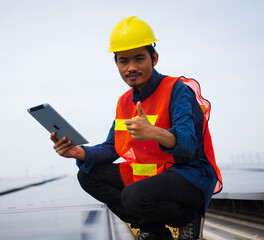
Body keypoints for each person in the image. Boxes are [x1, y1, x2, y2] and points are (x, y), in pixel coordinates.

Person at [50, 16, 222, 240]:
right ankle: (153, 231)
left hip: (191, 175)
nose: (131, 67)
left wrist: (154, 133)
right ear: (116, 64)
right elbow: (112, 147)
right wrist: (79, 152)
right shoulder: (124, 102)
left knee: (133, 196)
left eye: (139, 59)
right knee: (87, 174)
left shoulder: (176, 90)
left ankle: (188, 217)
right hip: (156, 175)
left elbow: (188, 145)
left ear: (154, 58)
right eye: (123, 61)